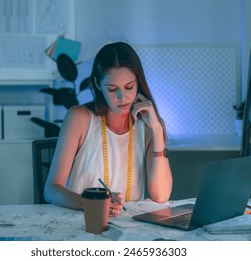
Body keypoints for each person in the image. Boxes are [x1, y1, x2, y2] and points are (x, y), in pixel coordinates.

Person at [44, 42, 172, 216]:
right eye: (112, 89)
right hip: (83, 222)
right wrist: (91, 204)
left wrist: (157, 130)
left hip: (129, 228)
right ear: (97, 84)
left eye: (129, 87)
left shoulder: (150, 127)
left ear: (138, 83)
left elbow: (161, 195)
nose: (122, 97)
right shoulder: (79, 117)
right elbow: (51, 190)